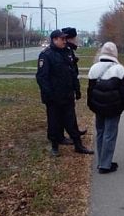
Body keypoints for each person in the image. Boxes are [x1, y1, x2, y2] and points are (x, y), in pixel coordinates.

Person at [36, 29, 93, 157]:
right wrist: (49, 94)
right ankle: (55, 146)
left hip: (67, 94)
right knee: (54, 122)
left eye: (64, 39)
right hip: (53, 97)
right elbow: (42, 78)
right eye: (62, 39)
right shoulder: (46, 55)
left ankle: (78, 145)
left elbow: (72, 72)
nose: (64, 41)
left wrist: (76, 89)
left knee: (71, 121)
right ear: (54, 40)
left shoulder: (67, 52)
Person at [87, 42, 124, 174]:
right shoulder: (119, 69)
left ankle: (101, 161)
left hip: (98, 107)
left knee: (100, 132)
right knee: (110, 134)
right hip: (114, 107)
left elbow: (90, 90)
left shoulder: (94, 68)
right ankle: (105, 165)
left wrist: (91, 105)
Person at [61, 27, 87, 143]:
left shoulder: (69, 49)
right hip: (64, 87)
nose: (76, 40)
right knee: (65, 113)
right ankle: (69, 134)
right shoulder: (65, 49)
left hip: (70, 85)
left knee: (70, 111)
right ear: (70, 38)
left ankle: (74, 131)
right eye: (74, 38)